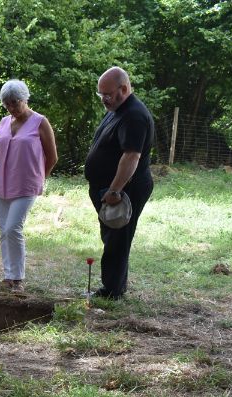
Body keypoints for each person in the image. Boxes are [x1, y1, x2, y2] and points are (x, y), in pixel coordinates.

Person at [84, 67, 155, 300]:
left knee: (117, 239)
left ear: (123, 89)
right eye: (100, 94)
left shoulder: (134, 115)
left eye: (107, 94)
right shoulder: (117, 109)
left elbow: (131, 156)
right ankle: (115, 285)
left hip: (123, 190)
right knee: (112, 236)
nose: (103, 99)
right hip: (107, 189)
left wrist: (115, 189)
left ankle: (112, 291)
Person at [0, 79, 58, 293]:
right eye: (7, 104)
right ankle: (8, 276)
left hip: (26, 184)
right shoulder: (3, 122)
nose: (11, 108)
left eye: (15, 103)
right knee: (4, 231)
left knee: (13, 228)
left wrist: (41, 177)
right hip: (1, 183)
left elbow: (52, 156)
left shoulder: (40, 122)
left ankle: (18, 279)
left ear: (25, 99)